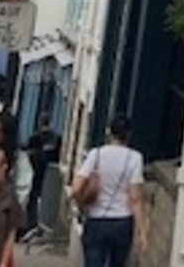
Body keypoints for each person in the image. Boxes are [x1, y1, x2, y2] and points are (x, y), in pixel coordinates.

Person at [69, 114, 147, 267]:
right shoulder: (135, 158)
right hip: (122, 222)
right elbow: (136, 198)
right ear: (129, 134)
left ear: (109, 132)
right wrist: (142, 232)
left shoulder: (96, 155)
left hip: (95, 220)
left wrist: (82, 206)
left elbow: (76, 188)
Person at [24, 113, 60, 234]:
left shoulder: (35, 138)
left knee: (32, 200)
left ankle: (31, 224)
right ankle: (36, 224)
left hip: (34, 177)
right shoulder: (54, 137)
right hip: (48, 177)